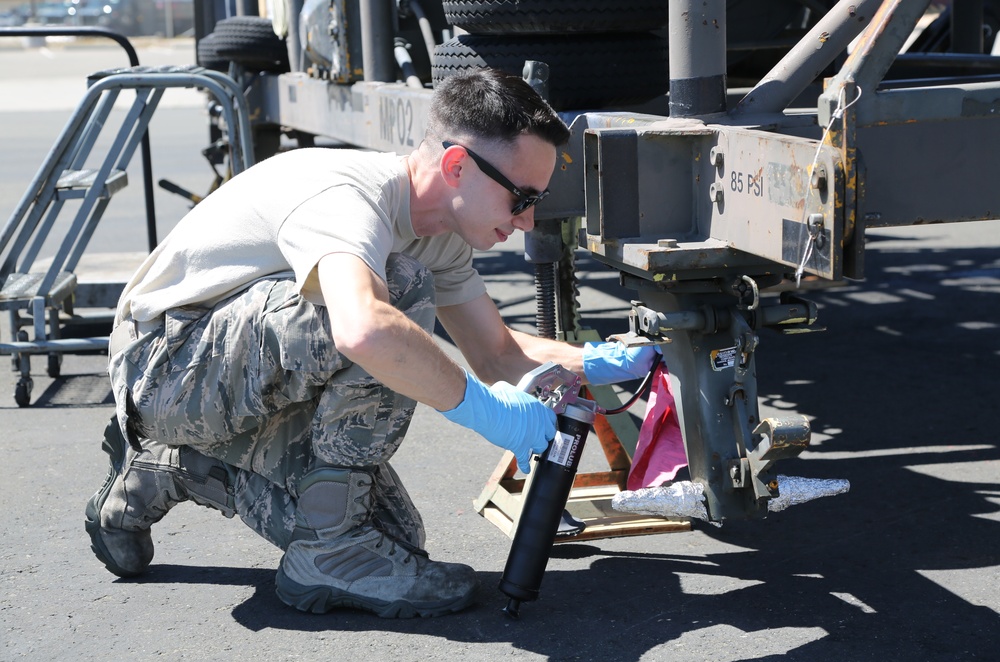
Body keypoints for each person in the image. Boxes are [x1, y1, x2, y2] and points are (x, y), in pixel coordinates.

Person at [85, 68, 657, 618]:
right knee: (396, 292)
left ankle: (174, 466)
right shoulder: (345, 198)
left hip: (233, 380)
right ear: (457, 165)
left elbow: (499, 354)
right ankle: (328, 549)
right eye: (521, 198)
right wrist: (493, 416)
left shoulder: (442, 238)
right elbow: (364, 328)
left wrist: (612, 363)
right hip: (165, 373)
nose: (528, 222)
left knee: (393, 539)